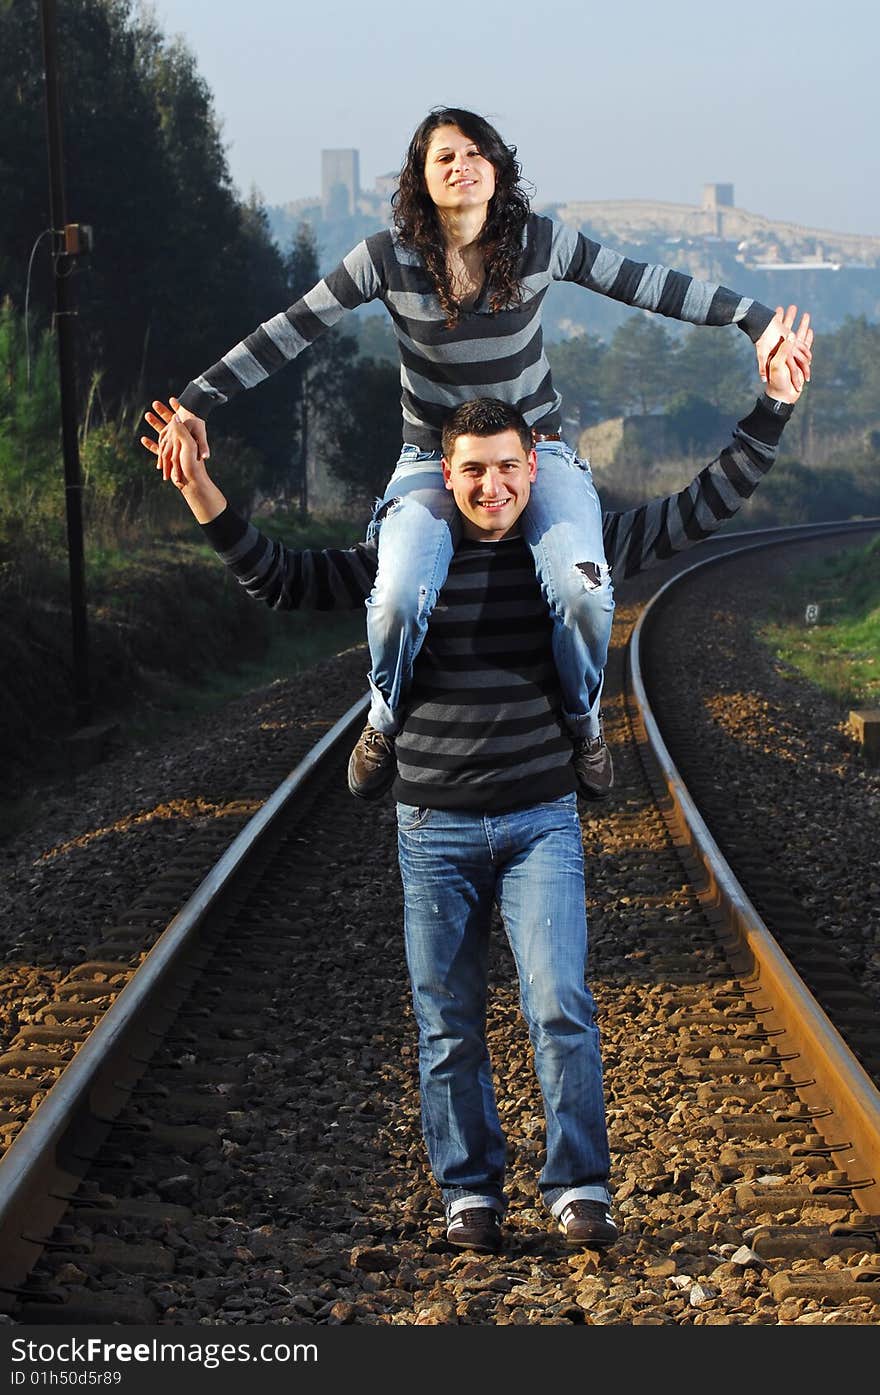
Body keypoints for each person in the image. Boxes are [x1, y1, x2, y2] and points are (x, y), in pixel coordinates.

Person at [142, 310, 811, 1252]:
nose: (491, 486)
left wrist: (774, 406)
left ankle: (580, 1185)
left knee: (559, 1007)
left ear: (533, 470)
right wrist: (205, 491)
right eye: (472, 471)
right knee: (448, 1021)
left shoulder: (568, 551)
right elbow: (283, 578)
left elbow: (700, 506)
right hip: (434, 825)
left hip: (542, 819)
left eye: (507, 468)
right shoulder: (405, 558)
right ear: (443, 478)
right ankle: (472, 1192)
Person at [154, 105, 803, 807]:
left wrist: (755, 318)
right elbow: (293, 328)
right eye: (444, 158)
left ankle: (584, 725)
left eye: (474, 153)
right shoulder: (385, 261)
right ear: (421, 180)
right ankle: (383, 721)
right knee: (398, 596)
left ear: (496, 169)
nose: (461, 166)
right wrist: (197, 400)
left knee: (584, 593)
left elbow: (649, 285)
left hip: (537, 453)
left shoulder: (540, 245)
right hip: (433, 462)